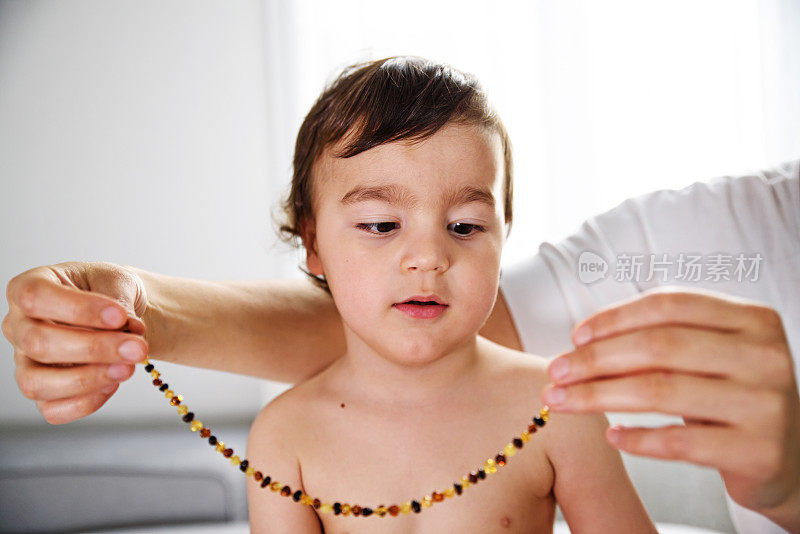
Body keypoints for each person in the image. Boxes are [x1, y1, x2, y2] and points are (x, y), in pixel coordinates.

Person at [2, 84, 798, 534]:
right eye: (381, 226)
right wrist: (144, 313)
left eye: (466, 226)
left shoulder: (556, 408)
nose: (427, 255)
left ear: (504, 234)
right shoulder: (286, 437)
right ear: (312, 248)